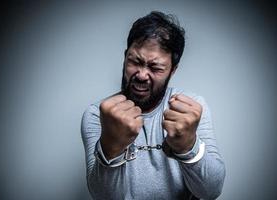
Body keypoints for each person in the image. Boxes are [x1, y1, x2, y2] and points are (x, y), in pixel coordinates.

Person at [81, 11, 225, 200]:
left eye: (155, 67)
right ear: (125, 57)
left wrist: (188, 147)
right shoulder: (97, 114)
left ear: (172, 70)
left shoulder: (190, 109)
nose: (141, 75)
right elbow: (104, 197)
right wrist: (111, 148)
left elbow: (211, 191)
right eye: (135, 61)